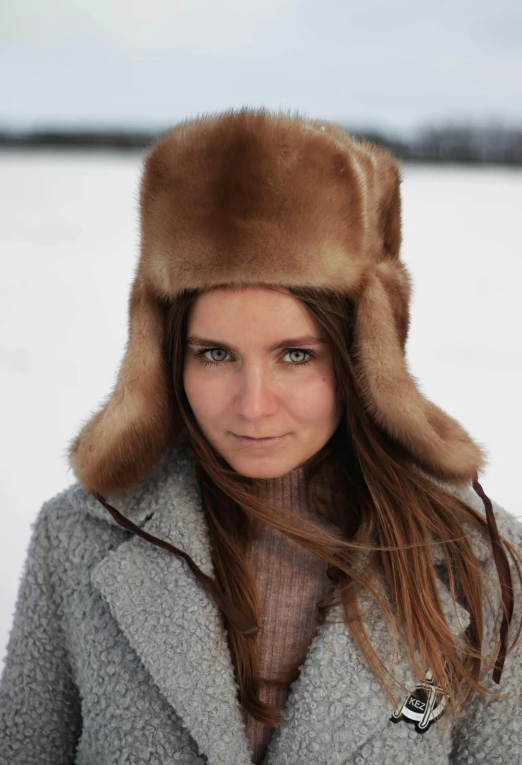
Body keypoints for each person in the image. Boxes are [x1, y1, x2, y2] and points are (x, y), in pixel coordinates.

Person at [0, 109, 521, 765]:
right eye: (215, 354)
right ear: (165, 359)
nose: (252, 404)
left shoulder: (480, 562)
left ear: (363, 356)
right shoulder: (80, 535)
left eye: (295, 355)